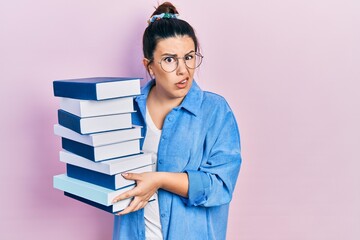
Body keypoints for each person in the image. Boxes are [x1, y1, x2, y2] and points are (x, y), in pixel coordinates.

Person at [112, 2, 241, 240]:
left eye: (189, 57)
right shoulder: (125, 110)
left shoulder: (215, 112)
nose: (184, 70)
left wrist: (160, 179)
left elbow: (221, 186)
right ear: (149, 66)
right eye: (169, 60)